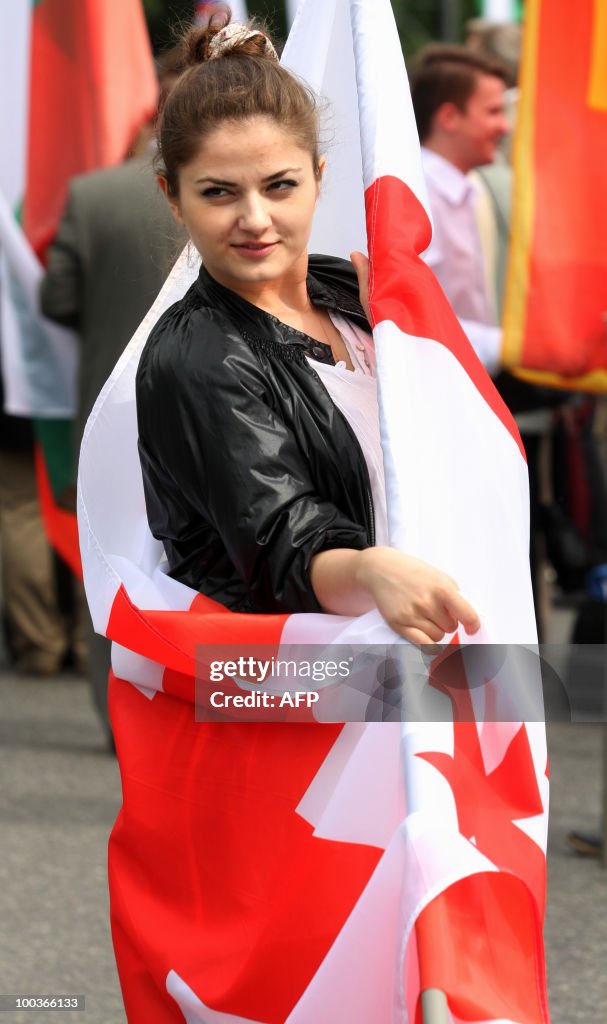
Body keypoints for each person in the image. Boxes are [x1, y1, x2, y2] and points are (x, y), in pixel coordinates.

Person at [105, 15, 483, 1016]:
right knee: (304, 980)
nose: (254, 220)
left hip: (386, 688)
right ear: (171, 198)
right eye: (217, 194)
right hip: (285, 719)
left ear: (317, 174)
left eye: (279, 186)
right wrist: (374, 570)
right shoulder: (196, 357)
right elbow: (283, 538)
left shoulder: (352, 297)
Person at [40, 60, 187, 736]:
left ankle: (119, 719)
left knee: (114, 565)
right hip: (206, 411)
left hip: (110, 415)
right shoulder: (259, 191)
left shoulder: (92, 195)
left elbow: (56, 300)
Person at [410, 45, 510, 375]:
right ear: (450, 117)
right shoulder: (419, 196)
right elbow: (417, 315)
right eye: (494, 112)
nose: (505, 127)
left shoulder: (468, 189)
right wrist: (510, 346)